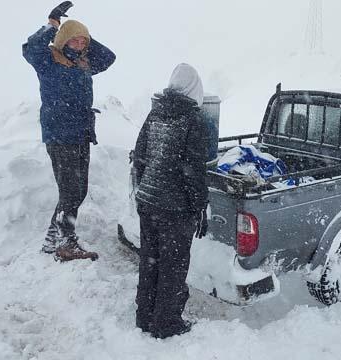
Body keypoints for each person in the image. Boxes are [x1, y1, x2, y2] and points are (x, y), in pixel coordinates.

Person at [23, 1, 116, 262]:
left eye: (82, 42)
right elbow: (30, 49)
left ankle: (53, 239)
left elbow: (108, 57)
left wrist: (82, 33)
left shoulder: (83, 65)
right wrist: (54, 25)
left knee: (79, 189)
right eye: (73, 41)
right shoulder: (48, 62)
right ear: (62, 41)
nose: (79, 45)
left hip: (81, 133)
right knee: (70, 192)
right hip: (60, 134)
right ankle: (66, 243)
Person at [132, 64, 209, 339]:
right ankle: (166, 323)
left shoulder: (156, 112)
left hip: (148, 202)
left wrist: (143, 188)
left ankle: (145, 315)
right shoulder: (192, 120)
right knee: (173, 266)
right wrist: (200, 206)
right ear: (193, 89)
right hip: (174, 208)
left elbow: (139, 156)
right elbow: (193, 170)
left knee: (150, 260)